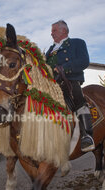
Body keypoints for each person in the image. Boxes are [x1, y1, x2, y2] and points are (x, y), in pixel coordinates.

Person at [46, 20, 95, 152]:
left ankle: (87, 136)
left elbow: (84, 61)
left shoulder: (77, 43)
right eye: (51, 31)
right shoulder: (50, 50)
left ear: (64, 30)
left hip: (71, 80)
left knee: (77, 98)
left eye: (54, 30)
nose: (51, 33)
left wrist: (64, 68)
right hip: (53, 84)